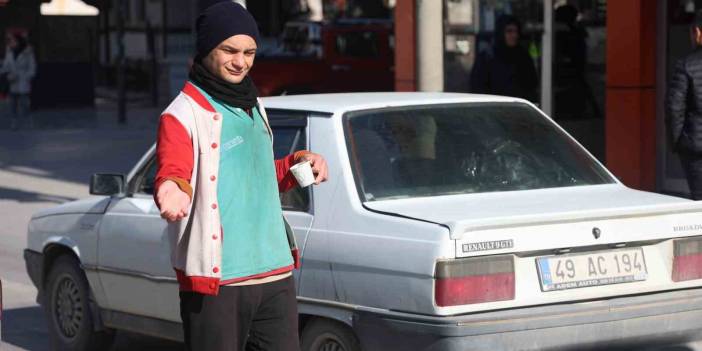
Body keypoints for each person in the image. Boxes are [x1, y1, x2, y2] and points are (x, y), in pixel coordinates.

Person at [153, 3, 329, 350]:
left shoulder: (253, 103)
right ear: (206, 50)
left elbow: (262, 177)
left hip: (275, 271)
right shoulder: (183, 114)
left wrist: (298, 164)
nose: (241, 61)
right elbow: (174, 169)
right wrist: (172, 190)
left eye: (249, 52)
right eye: (229, 51)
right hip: (220, 281)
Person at [667, 10, 702, 200]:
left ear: (697, 32)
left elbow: (674, 107)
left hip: (696, 149)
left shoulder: (686, 65)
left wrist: (678, 142)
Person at [470, 15, 538, 102]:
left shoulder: (523, 56)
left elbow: (531, 85)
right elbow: (477, 87)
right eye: (509, 31)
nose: (514, 35)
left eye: (516, 31)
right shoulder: (487, 57)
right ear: (501, 32)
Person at [1, 32, 36, 130]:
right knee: (12, 103)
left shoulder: (27, 53)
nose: (11, 43)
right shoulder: (9, 53)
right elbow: (6, 66)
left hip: (23, 81)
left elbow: (32, 67)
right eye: (10, 41)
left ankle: (27, 121)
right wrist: (7, 74)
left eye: (13, 41)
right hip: (13, 81)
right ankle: (14, 122)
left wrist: (28, 77)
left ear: (18, 42)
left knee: (24, 103)